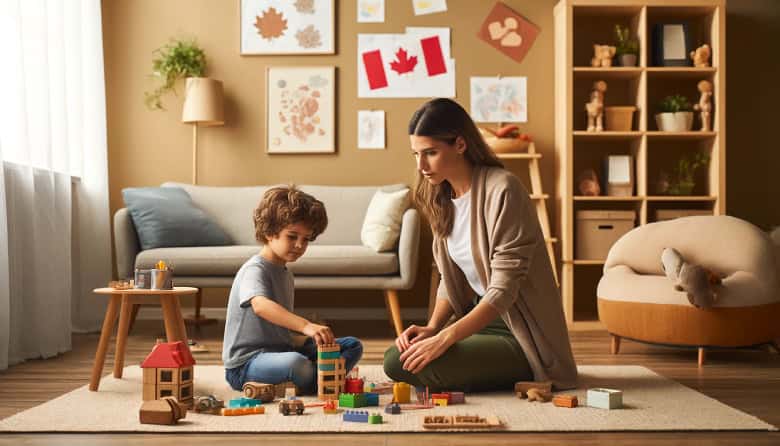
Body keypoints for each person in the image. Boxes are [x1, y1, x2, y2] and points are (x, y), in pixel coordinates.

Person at [383, 98, 577, 392]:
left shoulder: (503, 190)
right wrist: (434, 327)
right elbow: (452, 277)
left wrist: (446, 338)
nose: (421, 165)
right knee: (398, 357)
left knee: (404, 363)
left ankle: (523, 370)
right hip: (477, 319)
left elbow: (503, 291)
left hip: (519, 332)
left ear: (460, 144)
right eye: (416, 154)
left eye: (431, 153)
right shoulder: (441, 196)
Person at [223, 186, 363, 393]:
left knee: (351, 345)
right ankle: (318, 379)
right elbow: (261, 306)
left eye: (306, 239)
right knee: (297, 364)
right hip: (246, 364)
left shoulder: (285, 273)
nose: (299, 245)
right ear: (269, 232)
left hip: (281, 351)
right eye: (292, 236)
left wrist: (306, 339)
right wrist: (306, 326)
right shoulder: (254, 269)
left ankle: (314, 377)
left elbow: (276, 332)